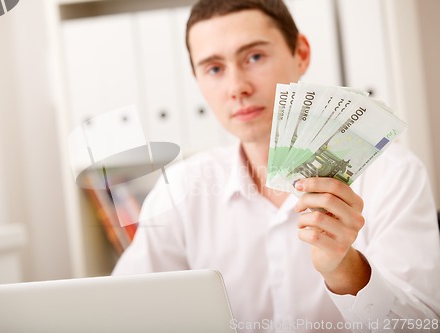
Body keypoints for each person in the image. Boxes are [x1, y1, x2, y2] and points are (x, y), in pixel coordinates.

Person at [112, 0, 440, 331]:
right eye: (214, 69)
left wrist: (344, 268)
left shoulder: (393, 176)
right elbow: (121, 314)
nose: (237, 87)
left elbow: (424, 326)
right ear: (196, 78)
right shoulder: (180, 189)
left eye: (254, 57)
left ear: (301, 53)